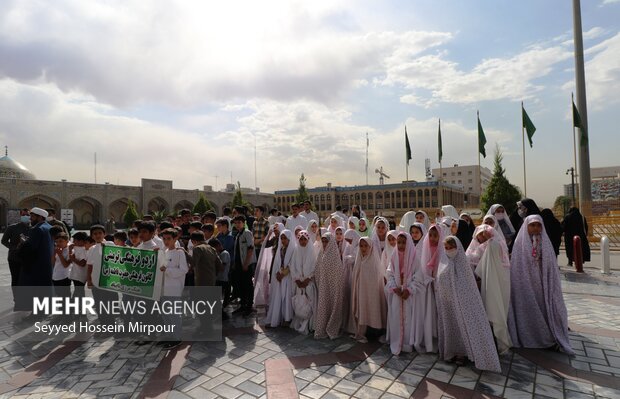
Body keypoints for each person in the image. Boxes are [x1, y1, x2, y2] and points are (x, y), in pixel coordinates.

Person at [507, 215, 573, 354]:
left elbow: (550, 263)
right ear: (526, 227)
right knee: (528, 309)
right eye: (532, 225)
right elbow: (518, 265)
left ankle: (548, 337)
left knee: (545, 308)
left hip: (543, 284)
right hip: (525, 284)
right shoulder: (520, 243)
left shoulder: (545, 242)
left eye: (538, 225)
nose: (535, 228)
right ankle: (530, 337)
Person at [435, 236, 501, 371]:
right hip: (448, 304)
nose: (449, 251)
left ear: (458, 248)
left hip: (463, 305)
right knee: (450, 327)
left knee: (463, 328)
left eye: (451, 248)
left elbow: (468, 288)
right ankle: (451, 351)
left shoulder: (463, 265)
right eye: (446, 248)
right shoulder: (443, 263)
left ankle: (463, 353)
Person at [469, 225, 512, 354]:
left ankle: (497, 342)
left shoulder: (495, 245)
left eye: (485, 234)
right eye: (480, 235)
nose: (482, 237)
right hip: (481, 286)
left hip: (494, 285)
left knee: (495, 310)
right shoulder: (474, 249)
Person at [16, 207, 54, 316]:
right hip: (46, 264)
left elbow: (31, 248)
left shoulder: (37, 229)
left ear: (40, 217)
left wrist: (23, 244)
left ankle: (37, 313)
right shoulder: (49, 227)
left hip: (36, 264)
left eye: (32, 216)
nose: (30, 219)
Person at [348, 237, 387, 343]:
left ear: (371, 247)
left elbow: (377, 281)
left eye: (366, 246)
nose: (363, 248)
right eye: (361, 246)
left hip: (372, 294)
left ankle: (376, 331)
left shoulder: (374, 262)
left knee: (373, 309)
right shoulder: (359, 260)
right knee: (363, 309)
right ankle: (362, 331)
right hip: (361, 292)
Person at [411, 224, 442, 353]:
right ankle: (428, 338)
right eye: (431, 235)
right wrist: (425, 279)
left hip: (439, 286)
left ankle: (440, 338)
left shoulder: (442, 250)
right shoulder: (424, 248)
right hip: (427, 287)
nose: (433, 238)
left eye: (436, 236)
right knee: (428, 312)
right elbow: (421, 268)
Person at [385, 232, 415, 354]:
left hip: (409, 295)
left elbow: (418, 276)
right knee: (396, 316)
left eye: (404, 242)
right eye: (399, 242)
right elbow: (390, 273)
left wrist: (409, 289)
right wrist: (394, 287)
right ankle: (397, 341)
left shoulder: (413, 256)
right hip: (397, 293)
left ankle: (407, 343)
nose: (401, 245)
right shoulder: (394, 256)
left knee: (409, 319)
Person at [159, 228, 188, 349]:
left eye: (169, 239)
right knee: (165, 314)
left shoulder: (179, 252)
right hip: (162, 288)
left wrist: (168, 271)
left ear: (175, 238)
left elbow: (184, 270)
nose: (166, 241)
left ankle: (177, 338)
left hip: (174, 288)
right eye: (164, 239)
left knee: (174, 314)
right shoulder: (164, 252)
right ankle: (170, 336)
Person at [314, 233, 345, 340]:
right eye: (323, 241)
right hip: (323, 288)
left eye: (326, 241)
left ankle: (332, 327)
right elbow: (318, 270)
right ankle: (322, 328)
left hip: (334, 289)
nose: (324, 243)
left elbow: (338, 274)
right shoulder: (321, 253)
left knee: (333, 306)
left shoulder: (334, 255)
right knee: (324, 307)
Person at [86, 224, 118, 330]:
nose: (98, 235)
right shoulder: (91, 249)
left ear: (104, 234)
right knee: (99, 303)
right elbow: (90, 265)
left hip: (108, 280)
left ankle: (111, 325)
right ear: (92, 236)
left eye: (100, 233)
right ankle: (103, 324)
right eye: (95, 234)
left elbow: (116, 259)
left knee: (107, 303)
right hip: (96, 280)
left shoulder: (110, 244)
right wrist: (89, 279)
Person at [190, 231, 223, 333]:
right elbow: (220, 265)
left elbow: (193, 263)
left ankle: (205, 327)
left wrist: (184, 252)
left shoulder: (197, 248)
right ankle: (208, 326)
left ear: (193, 241)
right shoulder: (211, 248)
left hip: (201, 281)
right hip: (211, 280)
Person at [265, 229, 295, 327]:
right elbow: (277, 262)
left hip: (288, 277)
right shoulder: (280, 249)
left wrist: (284, 273)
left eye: (285, 238)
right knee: (278, 297)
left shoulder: (293, 249)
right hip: (280, 276)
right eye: (281, 238)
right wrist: (278, 273)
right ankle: (278, 317)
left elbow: (292, 263)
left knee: (287, 298)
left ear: (289, 238)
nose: (283, 240)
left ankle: (287, 318)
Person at [290, 231, 317, 334]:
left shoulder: (312, 251)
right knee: (300, 304)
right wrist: (297, 279)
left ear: (308, 240)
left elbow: (314, 267)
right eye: (300, 239)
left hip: (308, 283)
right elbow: (292, 266)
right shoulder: (296, 251)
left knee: (310, 303)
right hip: (299, 283)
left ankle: (309, 325)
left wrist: (308, 279)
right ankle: (300, 323)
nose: (302, 241)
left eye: (304, 239)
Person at [2, 208, 30, 306]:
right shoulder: (12, 228)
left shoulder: (33, 228)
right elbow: (4, 241)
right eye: (24, 215)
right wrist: (15, 247)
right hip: (14, 257)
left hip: (27, 258)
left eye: (27, 215)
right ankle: (17, 299)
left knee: (27, 279)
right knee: (16, 279)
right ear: (20, 215)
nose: (26, 216)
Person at [232, 215, 256, 316]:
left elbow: (250, 248)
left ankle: (249, 306)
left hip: (246, 264)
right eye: (236, 223)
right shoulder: (238, 235)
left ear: (243, 222)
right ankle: (243, 305)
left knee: (248, 285)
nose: (237, 225)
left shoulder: (247, 233)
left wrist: (246, 263)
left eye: (239, 222)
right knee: (240, 285)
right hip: (239, 264)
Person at [209, 238, 231, 317]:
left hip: (222, 279)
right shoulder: (219, 253)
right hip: (218, 279)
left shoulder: (224, 253)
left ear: (218, 246)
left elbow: (222, 267)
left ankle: (223, 314)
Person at [69, 232, 89, 301]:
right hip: (76, 274)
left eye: (75, 240)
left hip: (80, 275)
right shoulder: (77, 248)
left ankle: (75, 306)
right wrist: (70, 250)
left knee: (78, 291)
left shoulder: (84, 250)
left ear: (81, 241)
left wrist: (73, 259)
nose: (73, 242)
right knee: (78, 291)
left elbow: (82, 263)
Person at [51, 232, 72, 299]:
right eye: (56, 242)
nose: (58, 243)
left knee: (65, 297)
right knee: (59, 297)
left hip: (65, 277)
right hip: (55, 276)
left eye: (61, 241)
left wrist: (60, 254)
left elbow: (65, 265)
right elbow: (53, 263)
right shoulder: (58, 249)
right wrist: (54, 253)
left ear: (67, 241)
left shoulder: (69, 251)